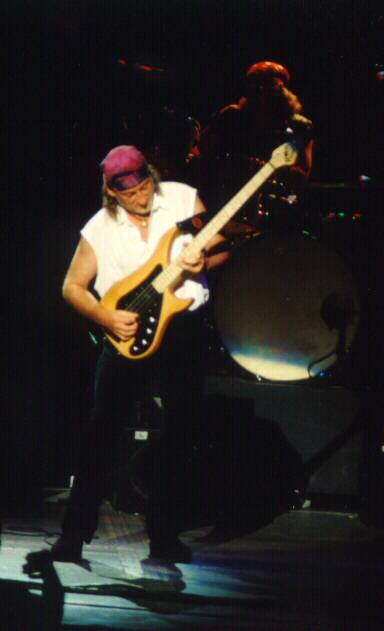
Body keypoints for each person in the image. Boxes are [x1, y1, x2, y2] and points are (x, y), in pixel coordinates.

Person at [51, 145, 229, 564]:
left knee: (180, 433)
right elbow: (72, 286)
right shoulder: (99, 227)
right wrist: (105, 316)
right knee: (101, 433)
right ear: (112, 193)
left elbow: (224, 246)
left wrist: (204, 261)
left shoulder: (183, 199)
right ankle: (74, 534)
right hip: (125, 334)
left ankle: (164, 536)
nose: (141, 197)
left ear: (152, 175)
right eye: (130, 194)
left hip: (182, 330)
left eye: (145, 186)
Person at [192, 61, 314, 227]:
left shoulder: (299, 127)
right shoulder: (231, 116)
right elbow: (200, 153)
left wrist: (265, 168)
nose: (261, 94)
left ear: (282, 90)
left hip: (273, 205)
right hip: (225, 199)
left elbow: (301, 176)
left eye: (268, 87)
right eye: (256, 88)